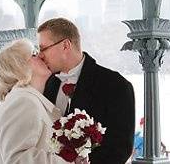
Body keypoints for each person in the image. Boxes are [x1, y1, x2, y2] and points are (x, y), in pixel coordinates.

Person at [38, 17, 135, 164]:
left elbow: (120, 149)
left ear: (65, 45)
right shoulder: (47, 83)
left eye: (43, 48)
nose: (40, 55)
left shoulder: (116, 85)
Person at [0, 39, 86, 164]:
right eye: (33, 54)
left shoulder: (25, 100)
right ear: (20, 67)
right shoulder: (24, 101)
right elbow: (18, 159)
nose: (41, 56)